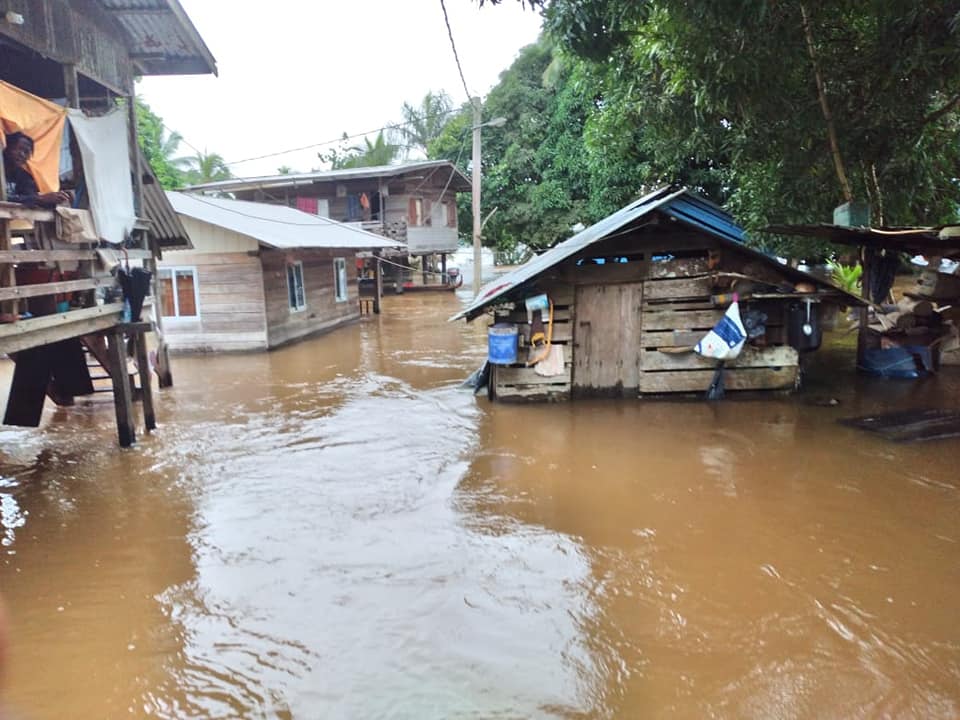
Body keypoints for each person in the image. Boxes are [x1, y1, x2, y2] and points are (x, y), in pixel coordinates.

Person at [2, 131, 70, 207]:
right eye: (19, 149)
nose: (22, 154)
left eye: (26, 152)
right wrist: (39, 199)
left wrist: (55, 199)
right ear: (7, 148)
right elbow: (5, 198)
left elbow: (31, 197)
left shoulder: (23, 176)